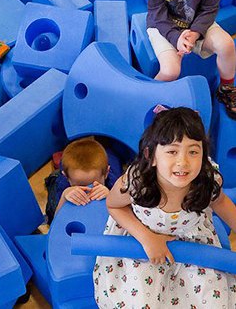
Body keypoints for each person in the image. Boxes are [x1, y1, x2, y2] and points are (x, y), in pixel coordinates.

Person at [93, 106, 236, 307]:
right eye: (172, 151)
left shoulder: (205, 179)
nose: (183, 162)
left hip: (193, 242)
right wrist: (147, 238)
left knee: (212, 301)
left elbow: (220, 202)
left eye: (193, 151)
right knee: (141, 302)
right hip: (144, 245)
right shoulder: (137, 183)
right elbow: (114, 206)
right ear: (151, 156)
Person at [44, 138, 119, 224]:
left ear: (106, 173)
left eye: (93, 184)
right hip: (61, 178)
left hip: (110, 159)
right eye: (79, 186)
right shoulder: (63, 184)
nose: (87, 190)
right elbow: (55, 221)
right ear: (67, 177)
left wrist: (111, 196)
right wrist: (64, 197)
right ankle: (56, 173)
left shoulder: (113, 181)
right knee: (52, 203)